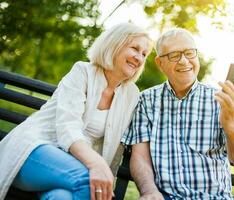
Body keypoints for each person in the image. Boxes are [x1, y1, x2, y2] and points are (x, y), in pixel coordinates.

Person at [0, 23, 152, 200]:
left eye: (144, 54)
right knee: (89, 183)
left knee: (62, 197)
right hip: (32, 151)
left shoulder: (131, 94)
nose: (139, 58)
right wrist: (97, 164)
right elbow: (68, 126)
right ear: (114, 44)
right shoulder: (82, 71)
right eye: (135, 48)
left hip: (70, 170)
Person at [121, 28, 234, 199]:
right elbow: (140, 156)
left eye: (189, 53)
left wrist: (232, 124)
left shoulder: (222, 101)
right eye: (174, 55)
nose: (184, 61)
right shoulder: (146, 101)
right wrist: (149, 191)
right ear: (160, 63)